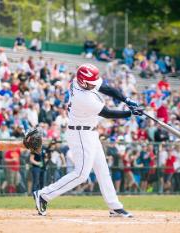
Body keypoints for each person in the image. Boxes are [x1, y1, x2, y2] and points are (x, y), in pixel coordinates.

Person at [33, 63, 142, 217]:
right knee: (81, 174)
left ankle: (114, 206)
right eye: (91, 83)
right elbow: (108, 113)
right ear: (83, 82)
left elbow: (105, 88)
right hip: (80, 135)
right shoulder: (82, 97)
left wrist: (126, 99)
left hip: (90, 132)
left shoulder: (81, 81)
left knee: (102, 170)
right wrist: (129, 114)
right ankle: (43, 195)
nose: (94, 84)